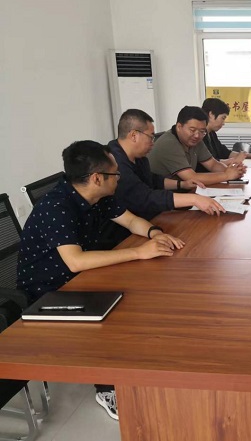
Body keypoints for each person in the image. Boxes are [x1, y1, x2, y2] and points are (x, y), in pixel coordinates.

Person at [17, 140, 186, 421]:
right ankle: (108, 388)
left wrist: (155, 234)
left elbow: (131, 221)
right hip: (49, 291)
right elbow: (75, 261)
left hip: (82, 277)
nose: (119, 178)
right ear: (97, 178)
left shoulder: (99, 196)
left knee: (147, 288)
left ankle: (145, 363)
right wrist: (138, 252)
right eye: (115, 174)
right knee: (121, 310)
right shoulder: (56, 206)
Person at [105, 109, 224, 244]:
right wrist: (194, 199)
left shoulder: (139, 157)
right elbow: (144, 197)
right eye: (151, 137)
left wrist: (181, 184)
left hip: (149, 221)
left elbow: (153, 180)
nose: (153, 142)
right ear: (134, 135)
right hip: (123, 234)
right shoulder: (113, 163)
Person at [148, 106, 246, 185]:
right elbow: (192, 177)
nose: (197, 135)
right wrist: (227, 175)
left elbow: (212, 164)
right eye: (192, 130)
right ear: (179, 126)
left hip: (185, 190)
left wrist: (234, 171)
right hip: (163, 196)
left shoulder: (194, 140)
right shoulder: (169, 144)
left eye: (202, 131)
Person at [201, 98, 251, 168]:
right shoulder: (200, 136)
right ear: (211, 114)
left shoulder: (212, 133)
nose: (223, 123)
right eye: (223, 118)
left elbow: (226, 153)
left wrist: (250, 156)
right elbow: (211, 163)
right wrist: (234, 161)